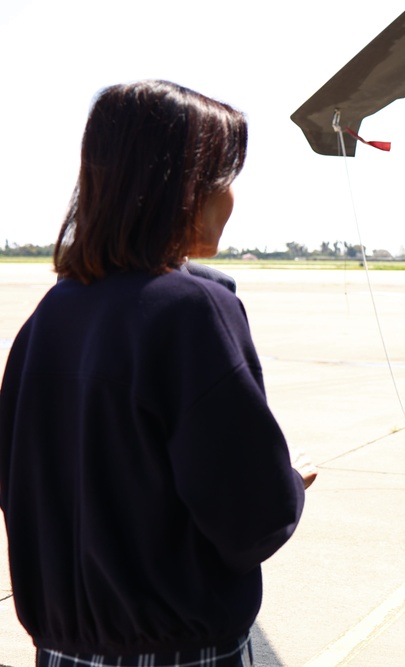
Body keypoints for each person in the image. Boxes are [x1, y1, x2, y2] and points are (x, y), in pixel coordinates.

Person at [0, 80, 312, 666]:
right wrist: (290, 485)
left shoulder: (50, 314)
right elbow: (253, 520)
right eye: (224, 178)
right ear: (184, 189)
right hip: (177, 652)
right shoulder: (191, 312)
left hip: (60, 649)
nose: (231, 199)